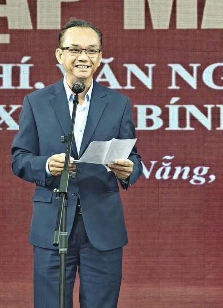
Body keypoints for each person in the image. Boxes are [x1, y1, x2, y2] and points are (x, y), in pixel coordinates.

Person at [12, 18, 142, 308]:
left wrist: (129, 170)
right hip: (53, 223)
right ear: (60, 55)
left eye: (92, 50)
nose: (84, 57)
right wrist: (48, 165)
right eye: (75, 49)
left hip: (103, 225)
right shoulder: (37, 102)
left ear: (100, 57)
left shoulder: (118, 103)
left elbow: (133, 157)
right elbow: (20, 158)